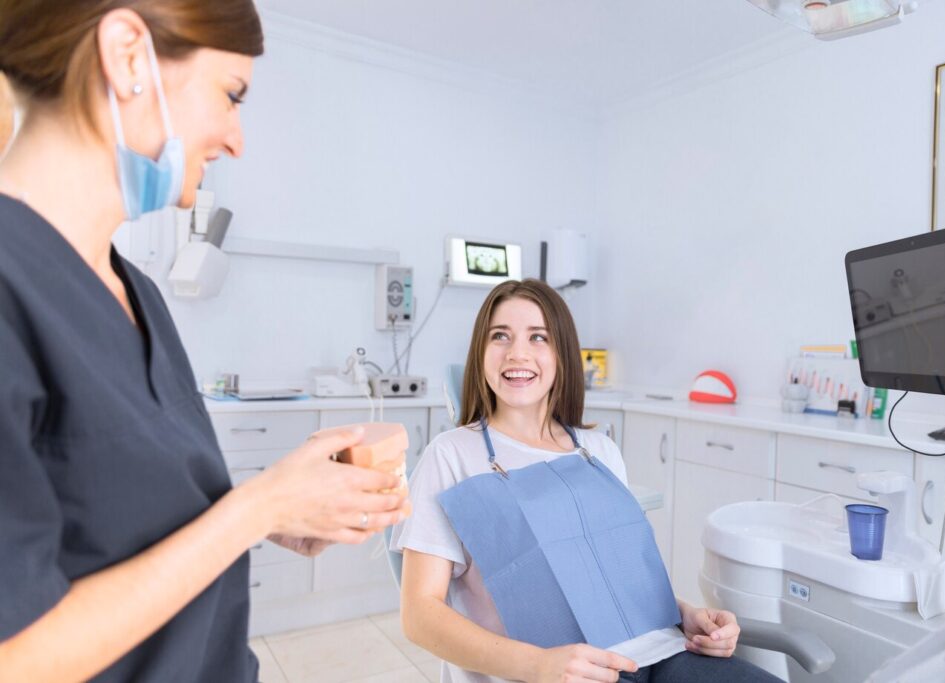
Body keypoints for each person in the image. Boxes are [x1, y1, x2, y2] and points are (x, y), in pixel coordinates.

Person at [0, 2, 408, 681]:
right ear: (129, 56)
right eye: (230, 94)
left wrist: (281, 501)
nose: (237, 139)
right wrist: (259, 506)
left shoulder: (136, 292)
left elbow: (110, 510)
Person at [392, 279, 782, 682]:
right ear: (480, 352)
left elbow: (613, 581)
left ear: (562, 354)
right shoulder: (452, 454)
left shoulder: (599, 451)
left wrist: (686, 615)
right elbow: (419, 616)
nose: (517, 353)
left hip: (664, 651)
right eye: (500, 336)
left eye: (538, 337)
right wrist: (538, 665)